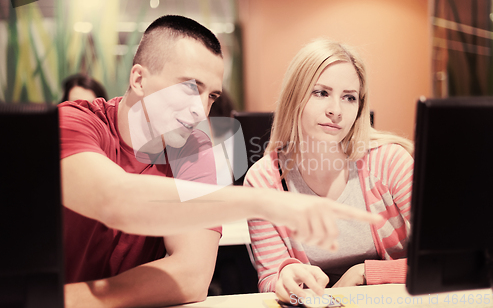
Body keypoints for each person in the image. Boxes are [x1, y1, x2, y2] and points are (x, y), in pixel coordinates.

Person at [59, 16, 381, 308]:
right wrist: (265, 202)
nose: (201, 111)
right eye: (189, 88)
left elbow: (192, 276)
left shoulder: (193, 146)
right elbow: (114, 201)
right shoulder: (73, 122)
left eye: (211, 96)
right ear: (139, 80)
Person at [244, 39, 414, 304]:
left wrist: (364, 273)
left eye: (349, 97)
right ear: (294, 97)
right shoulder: (264, 180)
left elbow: (448, 261)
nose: (335, 110)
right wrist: (285, 274)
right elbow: (269, 279)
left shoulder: (389, 162)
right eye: (321, 92)